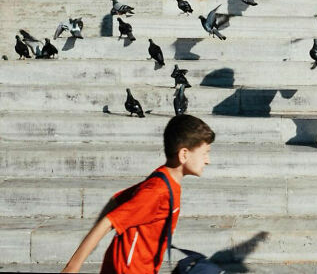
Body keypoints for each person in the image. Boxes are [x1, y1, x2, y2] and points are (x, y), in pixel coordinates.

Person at [61, 114, 215, 273]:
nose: (207, 160)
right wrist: (72, 267)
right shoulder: (157, 191)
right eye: (205, 153)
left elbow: (116, 200)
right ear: (184, 154)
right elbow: (109, 221)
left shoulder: (164, 181)